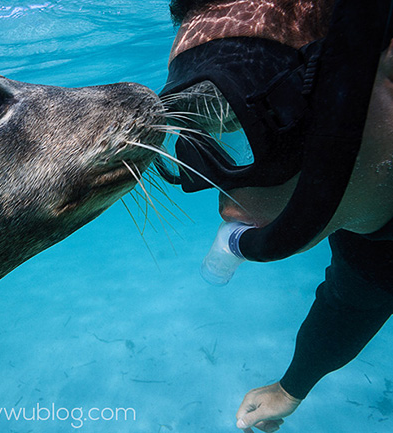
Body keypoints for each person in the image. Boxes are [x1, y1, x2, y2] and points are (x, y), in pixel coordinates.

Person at [159, 1, 393, 432]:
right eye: (205, 140)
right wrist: (291, 389)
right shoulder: (361, 222)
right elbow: (357, 297)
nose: (223, 206)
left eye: (247, 128)